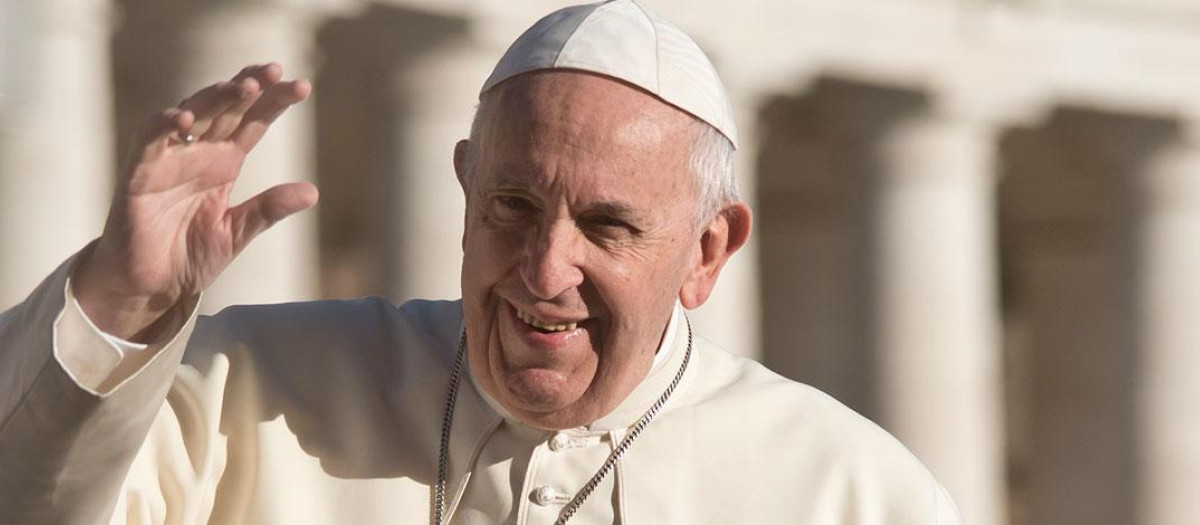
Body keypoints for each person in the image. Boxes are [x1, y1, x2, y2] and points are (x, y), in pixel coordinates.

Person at [0, 1, 962, 523]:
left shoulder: (858, 495)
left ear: (707, 252)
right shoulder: (245, 390)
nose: (546, 268)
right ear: (464, 189)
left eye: (608, 225)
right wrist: (120, 305)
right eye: (514, 205)